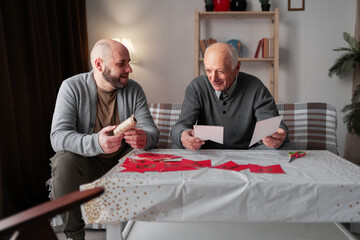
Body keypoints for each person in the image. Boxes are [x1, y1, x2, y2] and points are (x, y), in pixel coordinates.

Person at [50, 39, 159, 240]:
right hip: (87, 162)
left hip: (123, 163)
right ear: (99, 64)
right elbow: (58, 137)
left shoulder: (134, 89)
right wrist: (96, 143)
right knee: (63, 161)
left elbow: (151, 131)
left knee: (150, 155)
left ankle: (146, 232)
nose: (129, 69)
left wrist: (145, 138)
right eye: (121, 63)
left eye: (129, 62)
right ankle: (74, 236)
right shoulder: (71, 87)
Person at [171, 43, 289, 151]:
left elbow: (273, 123)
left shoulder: (255, 86)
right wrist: (183, 136)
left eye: (220, 71)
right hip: (205, 151)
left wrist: (279, 135)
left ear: (236, 68)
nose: (213, 78)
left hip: (248, 152)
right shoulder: (197, 86)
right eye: (208, 71)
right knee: (176, 146)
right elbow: (180, 126)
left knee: (284, 148)